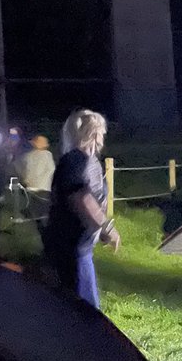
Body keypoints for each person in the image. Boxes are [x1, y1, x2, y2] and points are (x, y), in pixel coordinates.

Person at [45, 109, 120, 307]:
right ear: (94, 133)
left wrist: (99, 229)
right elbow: (81, 197)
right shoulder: (74, 161)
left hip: (82, 248)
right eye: (102, 131)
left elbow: (94, 199)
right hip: (70, 250)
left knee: (83, 310)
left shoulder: (90, 162)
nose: (104, 136)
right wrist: (106, 227)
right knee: (80, 312)